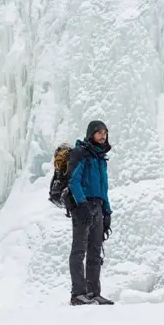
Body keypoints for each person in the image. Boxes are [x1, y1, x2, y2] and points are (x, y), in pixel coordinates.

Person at [64, 120, 114, 306]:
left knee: (95, 251)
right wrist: (82, 204)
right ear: (90, 134)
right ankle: (78, 294)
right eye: (99, 132)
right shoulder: (81, 154)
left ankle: (93, 292)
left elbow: (104, 188)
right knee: (79, 250)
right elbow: (74, 182)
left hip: (98, 207)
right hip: (83, 207)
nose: (103, 136)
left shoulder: (100, 158)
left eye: (105, 133)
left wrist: (107, 212)